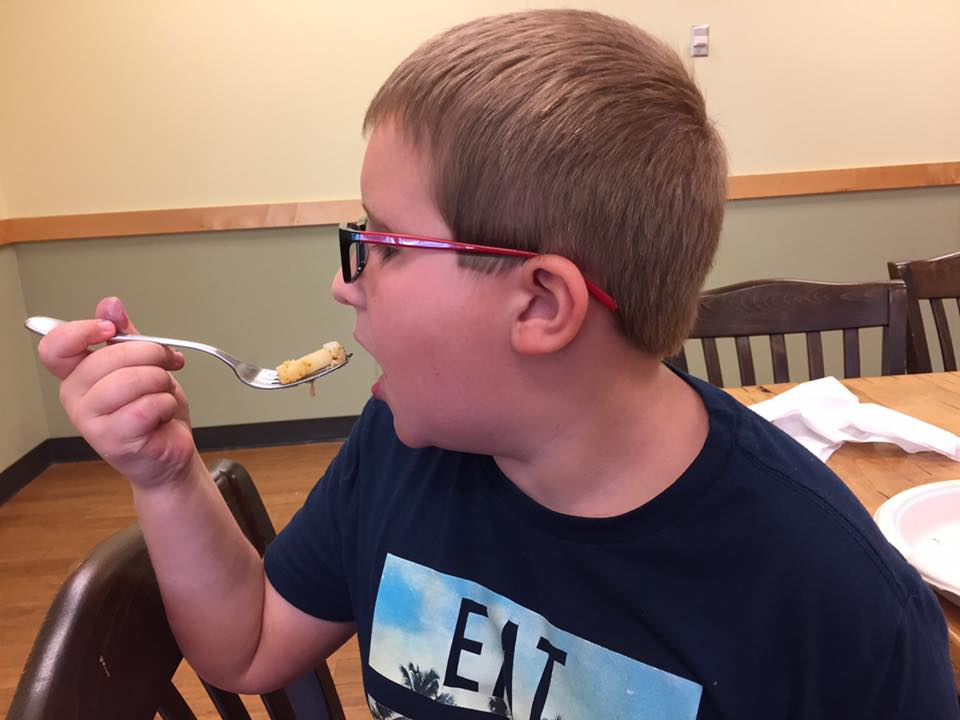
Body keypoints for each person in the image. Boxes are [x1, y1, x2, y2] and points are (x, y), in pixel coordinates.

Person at [37, 9, 958, 719]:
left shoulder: (839, 606)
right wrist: (163, 474)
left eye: (382, 243)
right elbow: (245, 649)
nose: (345, 283)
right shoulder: (405, 449)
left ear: (541, 303)